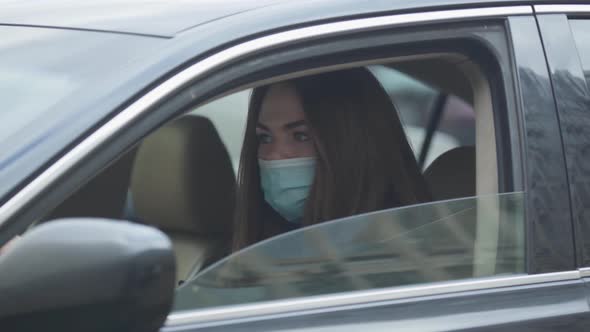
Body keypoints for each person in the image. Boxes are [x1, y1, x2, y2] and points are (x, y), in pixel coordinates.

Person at [232, 67, 431, 251]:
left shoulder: (392, 251)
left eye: (301, 136)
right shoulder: (265, 247)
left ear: (354, 143)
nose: (275, 154)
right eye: (265, 138)